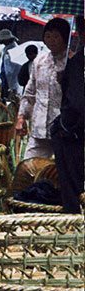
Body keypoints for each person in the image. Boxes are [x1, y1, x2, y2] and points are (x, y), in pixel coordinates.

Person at [16, 18, 71, 159]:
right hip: (39, 128)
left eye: (56, 36)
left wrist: (66, 79)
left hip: (65, 129)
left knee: (61, 172)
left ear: (65, 38)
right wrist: (21, 117)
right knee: (29, 166)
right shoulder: (39, 62)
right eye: (48, 36)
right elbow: (30, 92)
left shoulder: (73, 62)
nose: (51, 40)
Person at [51, 21, 83, 213]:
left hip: (76, 134)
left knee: (74, 186)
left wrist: (64, 126)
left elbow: (77, 104)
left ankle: (75, 222)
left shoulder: (79, 61)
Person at [0, 29, 19, 96]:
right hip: (5, 79)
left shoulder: (13, 50)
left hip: (10, 81)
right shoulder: (7, 49)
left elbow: (10, 71)